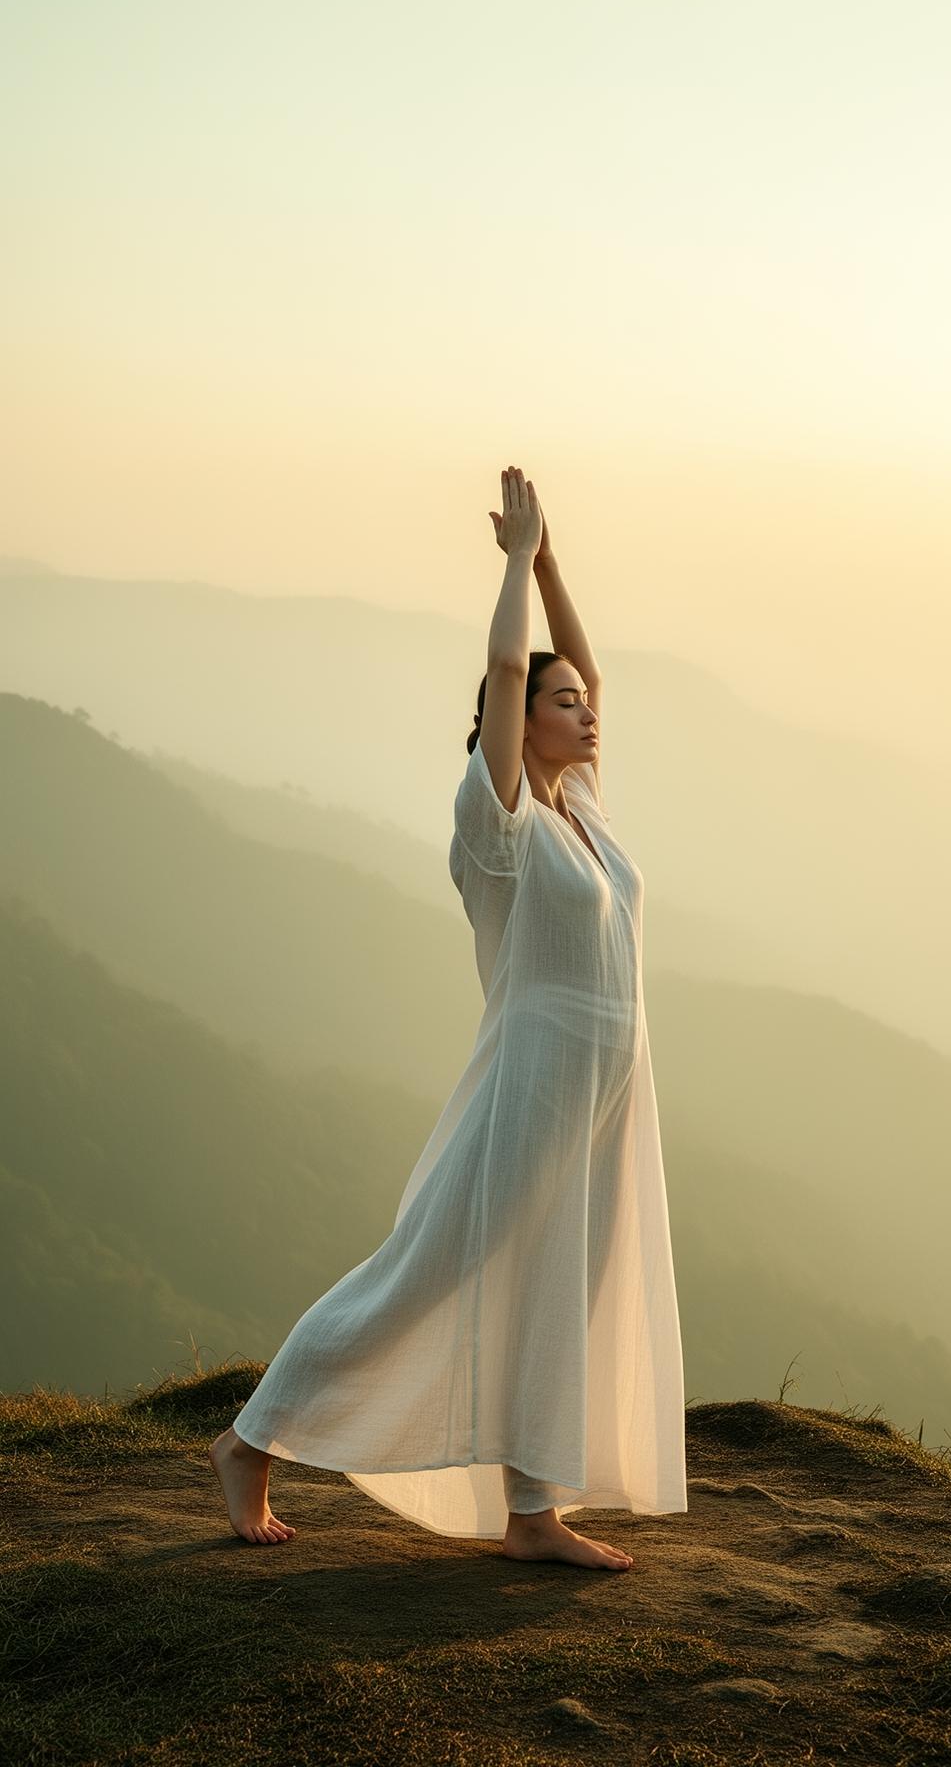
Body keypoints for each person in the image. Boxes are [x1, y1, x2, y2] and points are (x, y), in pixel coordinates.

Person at [209, 466, 687, 1569]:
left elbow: (587, 669)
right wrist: (515, 562)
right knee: (429, 1269)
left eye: (582, 702)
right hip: (537, 1076)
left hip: (612, 1081)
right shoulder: (498, 817)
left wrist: (554, 564)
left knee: (563, 1283)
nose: (586, 709)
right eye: (561, 703)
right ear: (514, 725)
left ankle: (533, 1512)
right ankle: (251, 1440)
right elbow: (511, 666)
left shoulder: (583, 810)